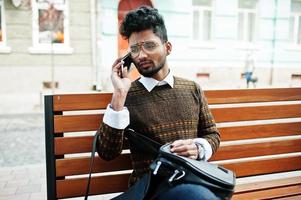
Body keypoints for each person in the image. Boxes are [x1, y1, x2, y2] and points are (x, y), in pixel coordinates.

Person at [96, 6, 221, 200]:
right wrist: (119, 94)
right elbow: (107, 152)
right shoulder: (126, 95)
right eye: (135, 49)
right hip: (150, 190)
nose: (141, 55)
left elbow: (212, 134)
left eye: (150, 45)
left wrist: (198, 148)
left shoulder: (192, 89)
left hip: (192, 180)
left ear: (167, 47)